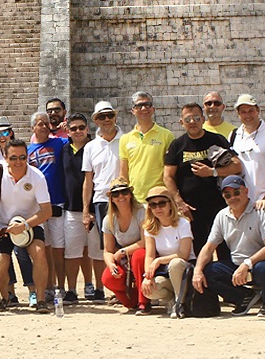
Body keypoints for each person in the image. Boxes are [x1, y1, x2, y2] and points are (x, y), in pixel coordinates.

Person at [162, 102, 241, 263]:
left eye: (196, 118)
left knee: (223, 246)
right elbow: (168, 176)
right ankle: (202, 285)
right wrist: (178, 202)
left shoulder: (217, 140)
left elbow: (237, 166)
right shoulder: (177, 145)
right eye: (188, 118)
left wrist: (212, 172)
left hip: (218, 205)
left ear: (203, 119)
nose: (192, 122)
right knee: (198, 248)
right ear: (181, 122)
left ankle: (226, 283)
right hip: (191, 208)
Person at [190, 175, 265, 317]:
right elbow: (209, 247)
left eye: (236, 192)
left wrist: (247, 264)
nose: (233, 197)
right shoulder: (221, 216)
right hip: (236, 264)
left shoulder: (260, 211)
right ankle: (243, 297)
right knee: (208, 272)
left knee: (263, 269)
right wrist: (198, 271)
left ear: (246, 191)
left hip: (259, 262)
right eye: (227, 194)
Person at [0, 139, 52, 311]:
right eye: (13, 158)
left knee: (39, 254)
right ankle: (5, 297)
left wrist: (26, 225)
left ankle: (41, 299)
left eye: (22, 157)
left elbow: (46, 211)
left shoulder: (37, 176)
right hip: (4, 225)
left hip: (30, 224)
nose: (18, 162)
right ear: (5, 157)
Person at [60, 113, 103, 302]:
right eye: (73, 128)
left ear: (87, 129)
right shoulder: (63, 150)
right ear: (67, 131)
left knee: (97, 251)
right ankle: (71, 290)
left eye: (81, 127)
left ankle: (100, 289)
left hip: (94, 208)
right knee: (72, 252)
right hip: (71, 209)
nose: (78, 131)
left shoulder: (95, 148)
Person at [28, 111, 68, 300]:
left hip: (57, 200)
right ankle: (48, 286)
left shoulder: (59, 143)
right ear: (32, 128)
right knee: (44, 248)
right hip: (37, 206)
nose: (44, 126)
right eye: (39, 123)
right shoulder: (27, 151)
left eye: (46, 123)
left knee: (59, 248)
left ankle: (61, 285)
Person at [139, 186, 193, 319]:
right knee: (149, 290)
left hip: (184, 269)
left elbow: (184, 255)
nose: (158, 208)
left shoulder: (183, 223)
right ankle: (172, 300)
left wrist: (159, 260)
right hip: (166, 271)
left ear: (171, 204)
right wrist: (147, 277)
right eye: (153, 205)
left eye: (162, 203)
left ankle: (180, 303)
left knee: (175, 263)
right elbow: (150, 255)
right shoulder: (150, 227)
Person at [98, 181, 147, 311]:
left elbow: (146, 241)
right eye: (115, 194)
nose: (121, 196)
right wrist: (111, 264)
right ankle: (131, 300)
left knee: (138, 256)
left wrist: (123, 252)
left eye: (124, 192)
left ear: (130, 195)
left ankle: (144, 302)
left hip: (145, 253)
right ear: (111, 199)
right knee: (107, 277)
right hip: (126, 257)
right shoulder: (108, 220)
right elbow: (107, 250)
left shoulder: (141, 211)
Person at [119, 92, 175, 202]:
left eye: (147, 104)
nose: (144, 108)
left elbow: (171, 170)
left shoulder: (167, 135)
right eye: (139, 106)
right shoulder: (125, 139)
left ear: (153, 109)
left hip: (159, 198)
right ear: (133, 111)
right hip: (135, 199)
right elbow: (123, 173)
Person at [82, 101, 123, 245]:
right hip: (101, 201)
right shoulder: (90, 147)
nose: (106, 119)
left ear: (115, 118)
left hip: (124, 197)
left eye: (110, 115)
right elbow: (88, 180)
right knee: (108, 247)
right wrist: (86, 211)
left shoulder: (126, 140)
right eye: (102, 116)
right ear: (96, 121)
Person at [231, 94, 265, 209]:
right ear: (238, 114)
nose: (248, 115)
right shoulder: (234, 135)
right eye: (243, 112)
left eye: (251, 110)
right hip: (244, 203)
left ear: (258, 110)